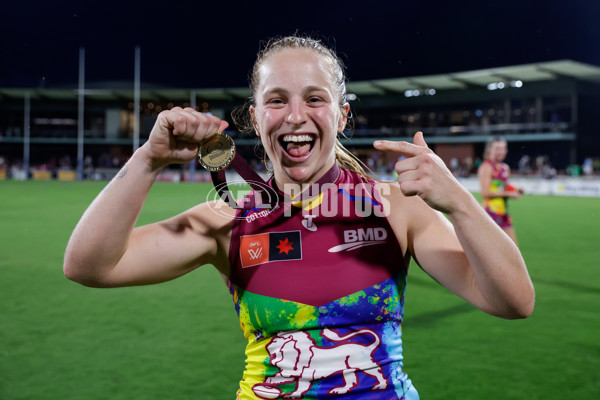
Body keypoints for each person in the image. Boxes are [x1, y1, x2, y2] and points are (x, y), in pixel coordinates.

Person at [64, 36, 534, 399]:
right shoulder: (226, 220)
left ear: (342, 115)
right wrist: (148, 159)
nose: (294, 116)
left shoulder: (397, 208)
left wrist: (459, 201)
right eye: (276, 100)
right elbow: (89, 265)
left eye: (314, 98)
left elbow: (514, 301)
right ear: (255, 116)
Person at [477, 136, 524, 245]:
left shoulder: (505, 168)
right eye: (498, 148)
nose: (501, 152)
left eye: (503, 148)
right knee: (491, 251)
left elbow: (504, 189)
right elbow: (485, 193)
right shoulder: (486, 167)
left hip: (504, 213)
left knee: (513, 249)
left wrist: (517, 191)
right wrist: (508, 193)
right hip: (490, 214)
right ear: (489, 149)